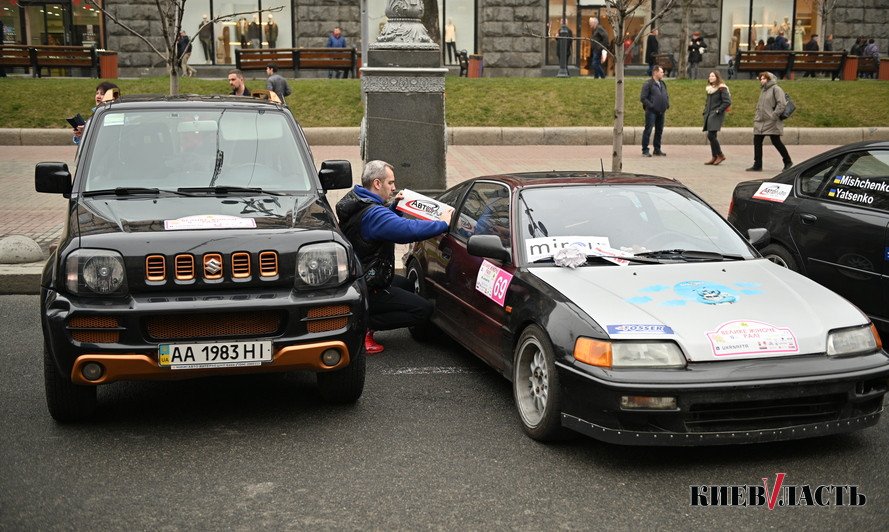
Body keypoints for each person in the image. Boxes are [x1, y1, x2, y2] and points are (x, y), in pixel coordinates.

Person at [335, 161, 450, 354]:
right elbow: (407, 230)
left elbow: (378, 224)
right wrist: (442, 224)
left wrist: (395, 207)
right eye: (391, 183)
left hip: (360, 276)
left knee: (405, 285)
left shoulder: (357, 199)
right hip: (368, 285)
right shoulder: (374, 214)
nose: (394, 187)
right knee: (422, 310)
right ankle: (362, 325)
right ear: (377, 184)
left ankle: (364, 315)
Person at [747, 72, 792, 172]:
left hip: (772, 121)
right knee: (757, 141)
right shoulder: (763, 90)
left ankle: (788, 161)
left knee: (776, 141)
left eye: (764, 79)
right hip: (761, 120)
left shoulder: (776, 89)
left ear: (769, 79)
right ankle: (757, 164)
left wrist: (774, 116)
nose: (762, 80)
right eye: (761, 79)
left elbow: (782, 104)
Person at [73, 81, 120, 145]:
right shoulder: (96, 114)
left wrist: (87, 129)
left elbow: (107, 139)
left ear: (113, 97)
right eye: (97, 93)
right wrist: (81, 135)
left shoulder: (115, 115)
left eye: (102, 94)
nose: (98, 96)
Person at [702, 71, 731, 166]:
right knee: (712, 135)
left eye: (713, 76)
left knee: (711, 135)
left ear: (717, 77)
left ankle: (720, 155)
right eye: (709, 76)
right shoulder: (710, 89)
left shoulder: (722, 88)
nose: (710, 77)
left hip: (717, 114)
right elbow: (708, 102)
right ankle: (714, 156)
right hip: (709, 114)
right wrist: (705, 110)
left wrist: (719, 110)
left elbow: (727, 102)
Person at [640, 65, 669, 157]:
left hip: (661, 111)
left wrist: (667, 104)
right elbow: (643, 98)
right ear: (655, 73)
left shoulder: (663, 83)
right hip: (651, 111)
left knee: (659, 130)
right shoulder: (648, 84)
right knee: (648, 130)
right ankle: (645, 150)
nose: (663, 73)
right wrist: (651, 105)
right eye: (661, 72)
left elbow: (666, 95)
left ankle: (657, 149)